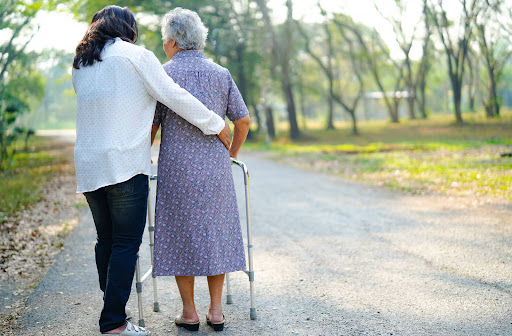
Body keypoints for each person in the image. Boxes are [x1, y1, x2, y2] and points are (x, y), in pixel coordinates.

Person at [72, 5, 231, 335]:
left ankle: (114, 309)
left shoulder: (82, 61)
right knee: (126, 244)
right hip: (125, 163)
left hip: (89, 163)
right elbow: (173, 95)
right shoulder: (135, 56)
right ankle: (113, 322)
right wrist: (216, 123)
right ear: (127, 29)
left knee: (107, 240)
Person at [151, 7, 251, 332]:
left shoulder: (162, 74)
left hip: (176, 170)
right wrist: (232, 153)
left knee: (182, 235)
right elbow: (243, 120)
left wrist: (144, 154)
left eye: (165, 38)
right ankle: (217, 311)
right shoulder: (221, 74)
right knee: (215, 234)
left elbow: (150, 126)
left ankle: (190, 313)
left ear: (173, 42)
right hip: (215, 170)